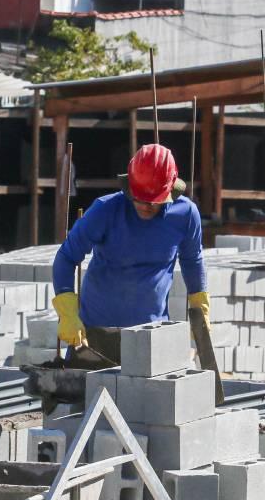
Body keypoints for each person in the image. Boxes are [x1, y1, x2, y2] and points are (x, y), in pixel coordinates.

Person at [51, 143, 207, 362]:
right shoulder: (104, 210)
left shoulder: (186, 214)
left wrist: (200, 306)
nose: (144, 206)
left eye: (153, 201)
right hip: (96, 334)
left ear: (170, 189)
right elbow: (66, 257)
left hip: (152, 335)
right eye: (139, 198)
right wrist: (67, 311)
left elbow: (192, 260)